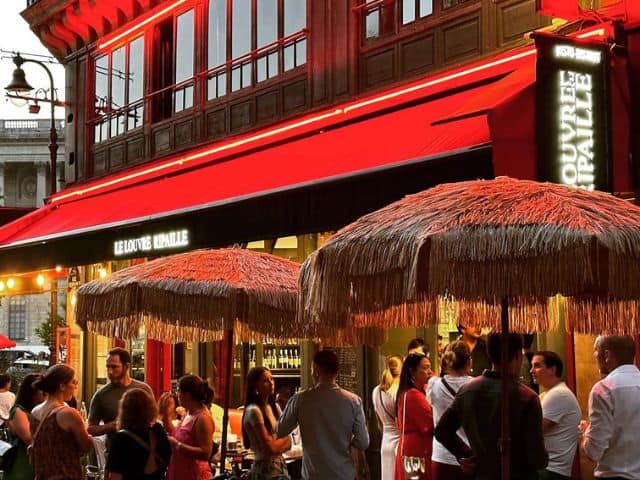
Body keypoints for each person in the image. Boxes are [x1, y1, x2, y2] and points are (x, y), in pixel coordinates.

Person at [435, 333, 547, 480]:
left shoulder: (467, 391)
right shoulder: (527, 398)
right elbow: (537, 459)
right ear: (518, 355)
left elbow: (442, 431)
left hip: (482, 474)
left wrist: (468, 455)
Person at [276, 349, 369, 480]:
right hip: (343, 473)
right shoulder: (353, 401)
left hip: (314, 474)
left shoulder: (301, 400)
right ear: (336, 371)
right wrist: (344, 443)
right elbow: (363, 442)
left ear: (316, 369)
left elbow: (280, 430)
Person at [580, 335, 640, 480]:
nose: (594, 356)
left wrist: (585, 432)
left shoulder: (604, 389)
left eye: (595, 351)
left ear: (606, 355)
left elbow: (593, 452)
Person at [31, 364, 93, 480]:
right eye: (74, 383)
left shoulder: (35, 411)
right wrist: (87, 431)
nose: (75, 387)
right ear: (62, 386)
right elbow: (85, 447)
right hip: (66, 475)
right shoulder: (69, 414)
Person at [529, 351, 581, 480]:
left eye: (537, 366)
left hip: (551, 471)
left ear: (552, 369)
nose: (531, 370)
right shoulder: (548, 394)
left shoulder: (559, 394)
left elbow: (533, 430)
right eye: (532, 366)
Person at [427, 341, 473, 480]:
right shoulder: (475, 385)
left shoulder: (434, 385)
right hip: (470, 457)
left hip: (441, 455)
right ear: (469, 362)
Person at [88, 347, 153, 443]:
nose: (110, 372)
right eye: (108, 367)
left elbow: (154, 420)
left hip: (142, 450)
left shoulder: (143, 389)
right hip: (115, 451)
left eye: (114, 367)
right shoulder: (101, 395)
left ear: (126, 366)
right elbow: (91, 429)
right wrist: (114, 425)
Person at [106, 388, 172, 480]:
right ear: (150, 409)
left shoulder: (122, 438)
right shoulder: (159, 432)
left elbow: (115, 477)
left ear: (125, 411)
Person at [242, 367, 292, 479]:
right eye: (265, 381)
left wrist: (281, 442)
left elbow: (289, 440)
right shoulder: (254, 410)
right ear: (255, 386)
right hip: (265, 470)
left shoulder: (275, 407)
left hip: (280, 467)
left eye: (272, 379)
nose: (271, 383)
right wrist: (282, 442)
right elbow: (269, 448)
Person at [166, 374, 215, 480]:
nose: (177, 395)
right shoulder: (188, 412)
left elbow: (206, 452)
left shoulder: (202, 418)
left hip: (194, 474)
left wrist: (177, 445)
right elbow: (179, 435)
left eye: (178, 391)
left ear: (187, 395)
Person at [395, 352, 434, 480]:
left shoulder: (407, 392)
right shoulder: (413, 395)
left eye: (430, 367)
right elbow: (431, 422)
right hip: (416, 450)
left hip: (409, 448)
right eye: (425, 368)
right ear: (412, 372)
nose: (430, 371)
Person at [4, 373, 44, 480]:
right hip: (22, 467)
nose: (45, 394)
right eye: (42, 390)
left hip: (37, 468)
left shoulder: (38, 410)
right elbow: (30, 440)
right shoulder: (19, 411)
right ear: (32, 392)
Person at [372, 354, 402, 480]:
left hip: (385, 443)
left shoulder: (376, 391)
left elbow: (379, 421)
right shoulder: (399, 392)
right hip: (399, 445)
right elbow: (401, 421)